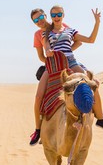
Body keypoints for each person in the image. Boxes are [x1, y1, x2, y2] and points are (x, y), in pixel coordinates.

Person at [43, 5, 103, 135]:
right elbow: (46, 47)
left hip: (71, 62)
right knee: (42, 93)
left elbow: (90, 40)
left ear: (63, 15)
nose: (56, 17)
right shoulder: (47, 33)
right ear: (51, 17)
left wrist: (97, 22)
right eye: (53, 15)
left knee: (94, 84)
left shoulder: (71, 31)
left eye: (59, 14)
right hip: (55, 64)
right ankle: (40, 129)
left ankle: (100, 118)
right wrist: (48, 51)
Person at [29, 8, 82, 145]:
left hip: (68, 63)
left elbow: (78, 42)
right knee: (39, 97)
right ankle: (38, 130)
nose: (39, 21)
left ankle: (95, 117)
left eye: (41, 17)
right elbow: (41, 56)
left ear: (46, 15)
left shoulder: (61, 25)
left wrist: (63, 54)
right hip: (51, 66)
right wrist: (52, 59)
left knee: (87, 84)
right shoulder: (37, 34)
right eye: (35, 20)